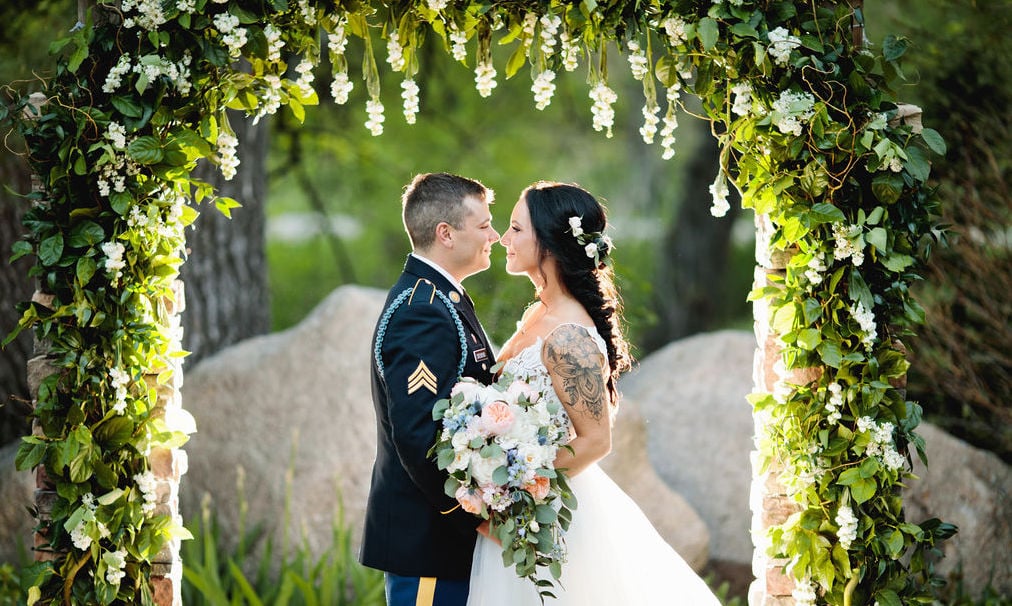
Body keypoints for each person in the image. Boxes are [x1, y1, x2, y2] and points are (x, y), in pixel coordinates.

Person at [467, 181, 721, 605]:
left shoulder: (569, 337)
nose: (503, 239)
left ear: (548, 243)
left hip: (547, 516)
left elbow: (597, 440)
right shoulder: (539, 310)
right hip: (514, 512)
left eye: (515, 229)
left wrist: (516, 490)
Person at [362, 173, 500, 606]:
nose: (494, 236)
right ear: (446, 233)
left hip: (444, 546)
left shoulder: (443, 299)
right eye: (484, 226)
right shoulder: (422, 311)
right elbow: (419, 434)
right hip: (431, 543)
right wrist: (471, 518)